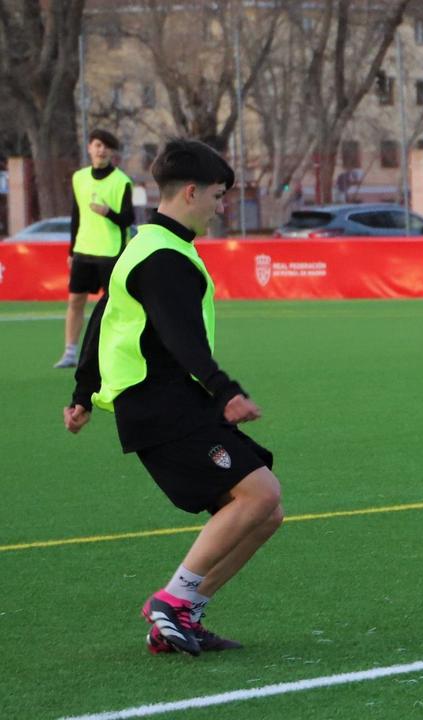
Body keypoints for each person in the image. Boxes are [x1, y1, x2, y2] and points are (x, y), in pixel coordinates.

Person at [63, 139, 283, 656]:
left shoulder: (146, 244)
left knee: (266, 510)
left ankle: (182, 614)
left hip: (171, 401)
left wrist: (82, 392)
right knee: (260, 496)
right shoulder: (163, 257)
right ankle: (172, 602)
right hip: (159, 402)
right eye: (218, 196)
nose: (221, 207)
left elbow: (102, 319)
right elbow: (180, 336)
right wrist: (225, 390)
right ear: (190, 192)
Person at [55, 129, 134, 368]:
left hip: (111, 253)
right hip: (84, 251)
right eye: (98, 145)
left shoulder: (121, 181)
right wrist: (71, 251)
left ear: (112, 152)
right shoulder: (79, 178)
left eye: (107, 146)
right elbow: (76, 216)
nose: (102, 150)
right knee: (75, 301)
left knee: (115, 306)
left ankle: (115, 352)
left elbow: (128, 219)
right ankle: (70, 352)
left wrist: (108, 213)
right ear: (89, 148)